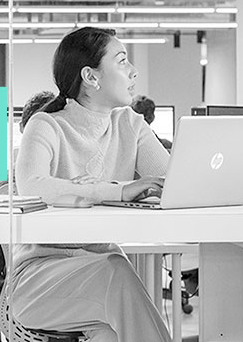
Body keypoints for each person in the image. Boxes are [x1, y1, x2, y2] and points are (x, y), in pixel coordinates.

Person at [13, 27, 171, 342]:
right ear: (91, 76)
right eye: (122, 61)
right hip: (41, 279)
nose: (133, 71)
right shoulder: (46, 125)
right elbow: (30, 185)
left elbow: (172, 181)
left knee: (112, 332)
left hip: (103, 282)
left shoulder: (129, 124)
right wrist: (116, 190)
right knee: (116, 270)